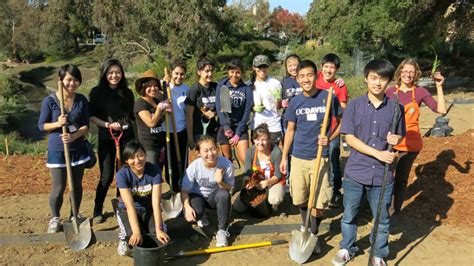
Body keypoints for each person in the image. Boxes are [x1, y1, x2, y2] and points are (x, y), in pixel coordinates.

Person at [332, 59, 404, 266]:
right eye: (374, 78)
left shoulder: (396, 108)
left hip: (383, 175)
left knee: (382, 219)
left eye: (383, 79)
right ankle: (347, 248)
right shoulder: (354, 106)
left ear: (389, 81)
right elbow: (349, 138)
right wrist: (378, 154)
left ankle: (378, 254)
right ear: (366, 78)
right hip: (356, 172)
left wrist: (395, 141)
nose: (378, 83)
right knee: (349, 216)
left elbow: (399, 138)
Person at [280, 60, 342, 254]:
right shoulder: (295, 102)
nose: (306, 79)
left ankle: (312, 233)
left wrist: (329, 138)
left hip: (319, 157)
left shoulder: (328, 97)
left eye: (309, 75)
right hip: (298, 157)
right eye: (302, 76)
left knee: (319, 201)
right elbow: (290, 131)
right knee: (299, 198)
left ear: (316, 76)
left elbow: (342, 122)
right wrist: (284, 157)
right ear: (297, 79)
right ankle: (306, 227)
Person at [385, 58, 446, 216]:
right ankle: (381, 206)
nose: (408, 74)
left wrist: (439, 86)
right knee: (385, 176)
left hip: (410, 143)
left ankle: (394, 210)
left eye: (411, 72)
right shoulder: (390, 92)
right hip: (390, 141)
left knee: (401, 178)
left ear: (416, 74)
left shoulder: (420, 92)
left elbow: (441, 110)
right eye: (405, 71)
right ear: (400, 72)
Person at [38, 64, 90, 233]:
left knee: (76, 185)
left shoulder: (81, 100)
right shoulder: (50, 101)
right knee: (58, 187)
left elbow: (85, 126)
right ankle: (55, 218)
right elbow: (41, 125)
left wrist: (74, 136)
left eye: (76, 80)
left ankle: (74, 215)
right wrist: (57, 123)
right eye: (68, 79)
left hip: (77, 148)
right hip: (57, 150)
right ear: (60, 80)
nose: (72, 83)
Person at [89, 58, 135, 224]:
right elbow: (92, 117)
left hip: (125, 138)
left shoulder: (127, 93)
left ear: (122, 74)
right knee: (107, 176)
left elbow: (131, 117)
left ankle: (121, 205)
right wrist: (108, 124)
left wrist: (124, 126)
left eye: (117, 72)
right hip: (106, 139)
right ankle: (97, 208)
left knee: (123, 174)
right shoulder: (96, 93)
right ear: (105, 73)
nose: (114, 75)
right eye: (111, 72)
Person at [116, 141, 170, 256]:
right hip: (127, 210)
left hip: (148, 207)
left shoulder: (154, 171)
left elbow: (155, 203)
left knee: (157, 234)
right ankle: (123, 238)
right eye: (132, 158)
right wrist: (136, 232)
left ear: (145, 155)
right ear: (126, 161)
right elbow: (129, 207)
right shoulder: (122, 174)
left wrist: (159, 229)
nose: (137, 161)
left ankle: (152, 228)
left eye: (140, 155)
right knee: (134, 237)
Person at [181, 135, 234, 247]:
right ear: (198, 152)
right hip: (198, 196)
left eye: (213, 149)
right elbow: (184, 190)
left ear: (217, 148)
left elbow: (230, 188)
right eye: (206, 150)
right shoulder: (194, 167)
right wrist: (187, 207)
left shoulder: (226, 164)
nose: (210, 154)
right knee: (196, 213)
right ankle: (202, 215)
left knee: (224, 194)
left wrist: (220, 182)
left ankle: (222, 231)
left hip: (215, 197)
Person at [315, 53, 349, 207]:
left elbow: (343, 108)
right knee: (316, 158)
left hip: (333, 130)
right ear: (321, 67)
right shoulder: (314, 78)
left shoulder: (340, 86)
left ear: (337, 69)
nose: (329, 70)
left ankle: (335, 191)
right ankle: (318, 188)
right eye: (326, 66)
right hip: (314, 128)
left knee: (333, 159)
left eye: (332, 67)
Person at [234, 123, 285, 214]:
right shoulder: (251, 151)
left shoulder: (276, 151)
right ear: (253, 140)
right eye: (257, 139)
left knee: (274, 199)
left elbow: (278, 175)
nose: (260, 143)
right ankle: (262, 199)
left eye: (264, 140)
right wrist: (247, 182)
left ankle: (272, 202)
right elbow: (247, 172)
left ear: (269, 139)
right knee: (238, 208)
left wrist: (266, 182)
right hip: (257, 182)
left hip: (274, 181)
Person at [215, 58, 253, 166]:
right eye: (232, 72)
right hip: (225, 126)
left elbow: (247, 112)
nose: (234, 75)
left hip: (240, 126)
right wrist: (227, 128)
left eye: (238, 72)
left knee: (245, 159)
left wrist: (238, 134)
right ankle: (229, 182)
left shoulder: (246, 89)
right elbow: (220, 109)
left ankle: (250, 180)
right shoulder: (223, 87)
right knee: (227, 160)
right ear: (228, 72)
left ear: (242, 73)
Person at [162, 60, 189, 192]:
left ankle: (181, 188)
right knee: (169, 163)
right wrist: (163, 84)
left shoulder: (187, 89)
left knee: (182, 162)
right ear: (171, 73)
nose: (179, 77)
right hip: (167, 131)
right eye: (176, 73)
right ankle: (172, 187)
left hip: (181, 130)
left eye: (182, 74)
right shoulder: (165, 87)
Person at [133, 70, 170, 165]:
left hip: (161, 143)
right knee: (151, 172)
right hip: (149, 146)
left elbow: (167, 95)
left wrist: (166, 84)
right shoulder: (140, 103)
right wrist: (159, 109)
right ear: (143, 87)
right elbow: (151, 123)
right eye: (149, 86)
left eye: (155, 86)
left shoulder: (157, 100)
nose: (153, 88)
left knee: (159, 170)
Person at [185, 55, 219, 149]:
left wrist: (215, 113)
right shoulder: (195, 90)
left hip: (212, 132)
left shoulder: (216, 87)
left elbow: (222, 108)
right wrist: (190, 138)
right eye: (207, 71)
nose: (210, 74)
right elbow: (188, 115)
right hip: (198, 133)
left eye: (212, 70)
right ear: (199, 72)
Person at [251, 55, 283, 145]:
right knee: (258, 154)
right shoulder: (250, 85)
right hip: (257, 124)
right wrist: (254, 108)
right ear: (254, 67)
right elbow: (247, 107)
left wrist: (278, 99)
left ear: (268, 67)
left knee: (273, 153)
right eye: (259, 67)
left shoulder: (275, 83)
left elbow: (279, 107)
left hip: (273, 124)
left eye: (264, 66)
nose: (262, 69)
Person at [280, 54, 301, 188]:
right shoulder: (283, 82)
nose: (293, 68)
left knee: (299, 150)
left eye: (295, 64)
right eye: (290, 65)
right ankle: (288, 177)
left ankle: (298, 176)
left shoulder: (306, 78)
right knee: (288, 149)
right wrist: (281, 103)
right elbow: (277, 100)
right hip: (288, 121)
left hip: (304, 122)